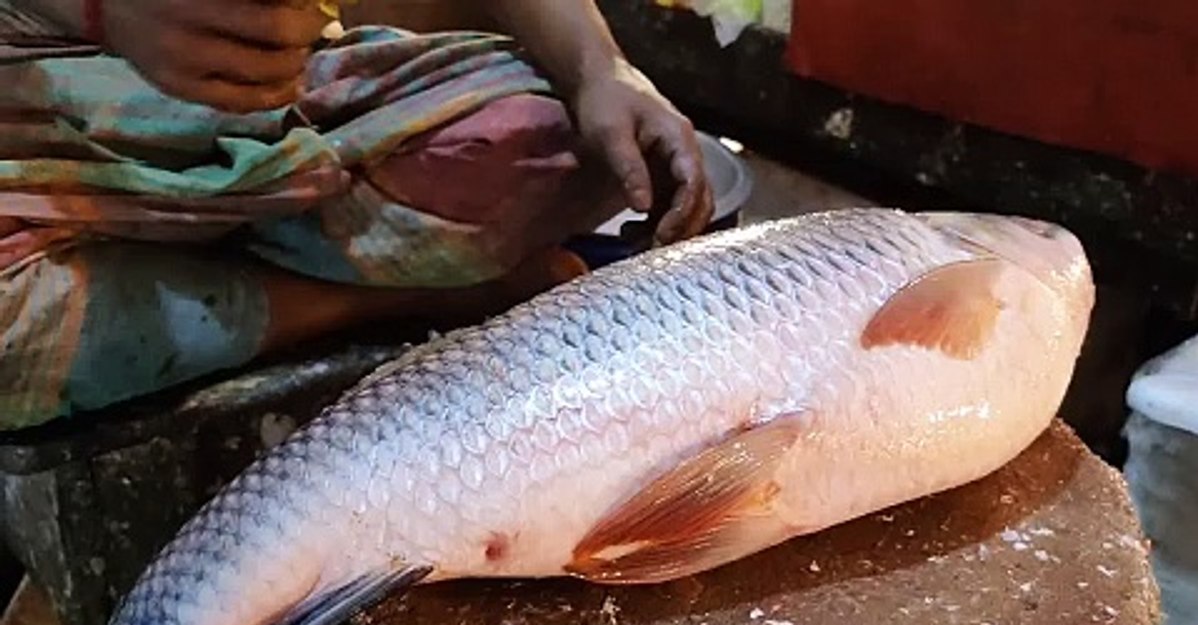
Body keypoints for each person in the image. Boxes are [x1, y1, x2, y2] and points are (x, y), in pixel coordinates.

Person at [0, 0, 714, 432]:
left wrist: (599, 70)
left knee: (555, 147)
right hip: (29, 120)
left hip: (285, 118)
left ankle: (195, 261)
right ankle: (384, 296)